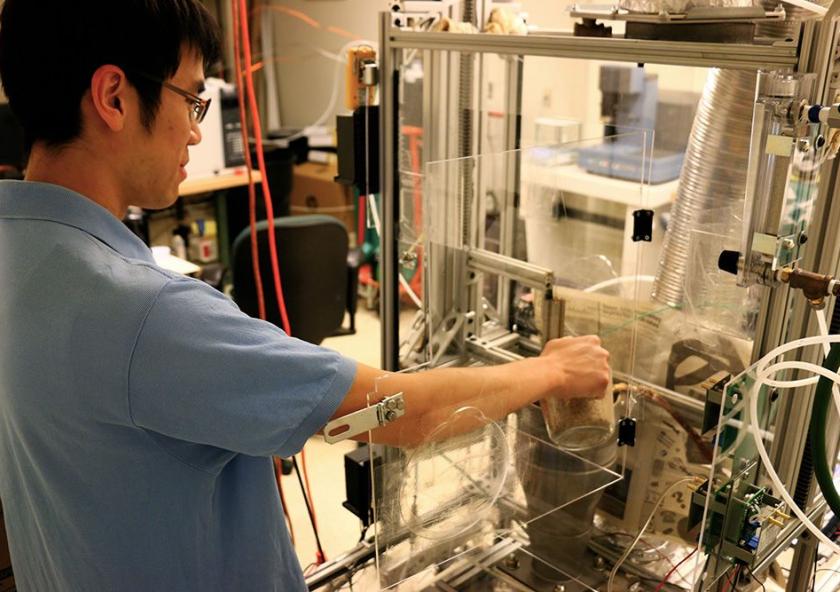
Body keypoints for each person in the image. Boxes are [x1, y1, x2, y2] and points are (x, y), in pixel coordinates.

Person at [0, 1, 611, 590]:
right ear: (114, 97)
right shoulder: (149, 314)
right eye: (191, 98)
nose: (193, 130)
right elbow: (403, 411)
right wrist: (551, 371)